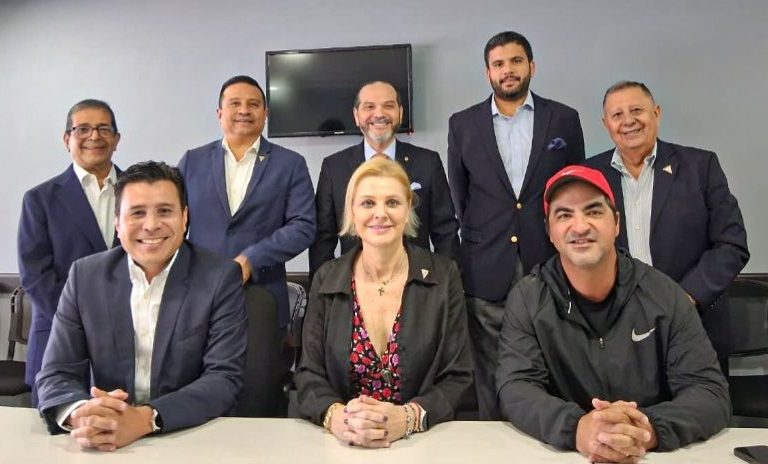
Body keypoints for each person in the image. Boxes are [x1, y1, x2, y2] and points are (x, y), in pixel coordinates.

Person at [496, 165, 730, 462]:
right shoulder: (528, 298)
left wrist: (645, 428)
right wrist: (577, 428)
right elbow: (516, 388)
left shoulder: (664, 295)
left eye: (593, 211)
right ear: (549, 232)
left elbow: (710, 392)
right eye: (564, 215)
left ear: (617, 223)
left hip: (649, 456)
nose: (580, 226)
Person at [36, 161, 247, 451]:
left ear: (184, 217)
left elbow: (223, 378)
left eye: (165, 211)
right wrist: (83, 415)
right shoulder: (85, 276)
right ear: (117, 222)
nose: (151, 225)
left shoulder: (219, 277)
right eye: (137, 213)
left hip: (190, 437)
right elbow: (56, 373)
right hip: (107, 444)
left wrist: (146, 419)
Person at [447, 30, 585, 419]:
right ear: (488, 72)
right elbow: (460, 196)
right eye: (498, 64)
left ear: (531, 67)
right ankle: (495, 440)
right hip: (486, 263)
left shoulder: (563, 119)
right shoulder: (463, 124)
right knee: (490, 370)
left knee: (553, 362)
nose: (507, 70)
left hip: (550, 261)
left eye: (516, 61)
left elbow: (576, 190)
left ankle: (553, 431)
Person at [297, 157, 472, 448]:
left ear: (408, 209)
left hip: (423, 442)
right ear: (352, 211)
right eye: (368, 203)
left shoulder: (444, 276)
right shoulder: (327, 278)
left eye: (392, 202)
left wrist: (408, 418)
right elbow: (308, 374)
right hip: (343, 443)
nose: (381, 214)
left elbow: (458, 376)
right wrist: (337, 417)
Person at [178, 75, 315, 417]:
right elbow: (174, 222)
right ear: (219, 113)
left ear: (265, 113)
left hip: (263, 298)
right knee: (199, 395)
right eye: (234, 104)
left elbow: (303, 226)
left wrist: (251, 259)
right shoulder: (192, 161)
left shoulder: (290, 163)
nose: (244, 110)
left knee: (261, 397)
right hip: (199, 298)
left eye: (253, 104)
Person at [585, 81, 749, 365]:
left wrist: (684, 298)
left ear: (656, 113)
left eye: (637, 110)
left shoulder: (700, 166)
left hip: (693, 325)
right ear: (606, 124)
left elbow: (731, 243)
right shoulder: (588, 176)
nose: (628, 121)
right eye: (617, 115)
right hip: (614, 333)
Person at [18, 99, 122, 397]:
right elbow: (36, 276)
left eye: (103, 129)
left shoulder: (140, 192)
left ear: (116, 139)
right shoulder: (40, 199)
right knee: (55, 423)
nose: (94, 136)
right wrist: (82, 324)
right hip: (60, 341)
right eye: (83, 129)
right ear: (67, 139)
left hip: (128, 344)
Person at [309, 80, 459, 275]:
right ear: (356, 115)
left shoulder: (428, 162)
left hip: (417, 282)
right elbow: (322, 239)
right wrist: (322, 288)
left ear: (400, 113)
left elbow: (445, 232)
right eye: (369, 107)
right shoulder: (333, 167)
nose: (379, 114)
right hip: (355, 282)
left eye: (388, 106)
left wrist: (448, 283)